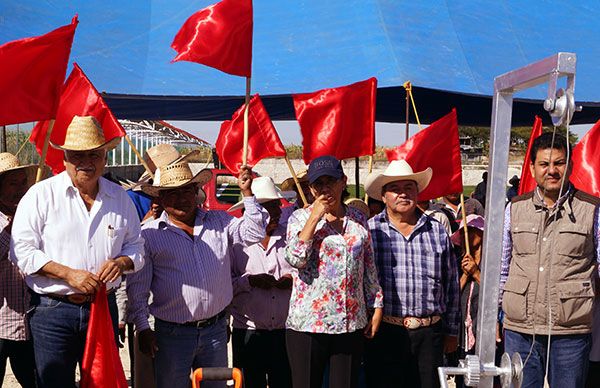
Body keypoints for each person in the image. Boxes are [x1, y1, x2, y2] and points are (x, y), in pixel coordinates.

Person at [10, 116, 145, 388]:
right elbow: (21, 251)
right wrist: (68, 274)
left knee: (102, 381)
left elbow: (137, 247)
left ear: (106, 157)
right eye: (77, 155)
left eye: (94, 154)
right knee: (53, 382)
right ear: (65, 159)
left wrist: (121, 262)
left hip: (102, 308)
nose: (86, 161)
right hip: (53, 311)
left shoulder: (120, 198)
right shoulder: (41, 195)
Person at [127, 161, 268, 388]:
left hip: (215, 331)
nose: (181, 198)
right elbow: (138, 289)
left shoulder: (220, 222)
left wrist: (247, 193)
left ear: (196, 192)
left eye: (186, 190)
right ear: (161, 198)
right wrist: (143, 328)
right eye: (172, 193)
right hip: (171, 335)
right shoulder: (150, 235)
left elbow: (254, 232)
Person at [500, 132, 600, 388]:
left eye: (559, 163)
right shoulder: (514, 209)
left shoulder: (591, 210)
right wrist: (497, 315)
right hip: (520, 328)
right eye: (544, 164)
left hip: (570, 330)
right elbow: (502, 266)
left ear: (570, 167)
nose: (552, 171)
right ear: (532, 168)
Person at [285, 155, 383, 388]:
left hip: (350, 322)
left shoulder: (358, 218)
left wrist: (376, 304)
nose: (325, 188)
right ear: (310, 188)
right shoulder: (299, 218)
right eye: (319, 183)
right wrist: (314, 217)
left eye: (331, 181)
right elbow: (295, 259)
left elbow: (368, 265)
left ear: (343, 182)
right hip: (308, 324)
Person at [363, 159, 460, 388]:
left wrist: (452, 332)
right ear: (383, 196)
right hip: (385, 333)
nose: (403, 194)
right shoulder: (371, 230)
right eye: (395, 189)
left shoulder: (436, 229)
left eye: (408, 188)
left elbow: (451, 285)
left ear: (417, 193)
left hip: (430, 334)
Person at [229, 177, 296, 388]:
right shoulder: (235, 242)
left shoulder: (290, 237)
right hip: (248, 331)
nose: (276, 212)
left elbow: (304, 271)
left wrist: (292, 280)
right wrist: (250, 281)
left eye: (277, 206)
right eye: (268, 208)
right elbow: (223, 284)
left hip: (285, 331)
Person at [0, 153, 37, 388]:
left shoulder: (35, 218)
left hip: (32, 321)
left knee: (36, 382)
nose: (21, 189)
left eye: (24, 182)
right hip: (1, 323)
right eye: (13, 183)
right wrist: (9, 231)